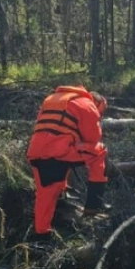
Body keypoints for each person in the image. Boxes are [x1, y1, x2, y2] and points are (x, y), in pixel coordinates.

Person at [26, 85, 111, 240]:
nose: (100, 116)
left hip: (35, 152)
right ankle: (94, 204)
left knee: (45, 193)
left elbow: (53, 129)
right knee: (100, 152)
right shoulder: (87, 104)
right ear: (97, 103)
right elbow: (93, 138)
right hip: (58, 153)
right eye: (101, 113)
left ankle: (41, 234)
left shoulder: (52, 98)